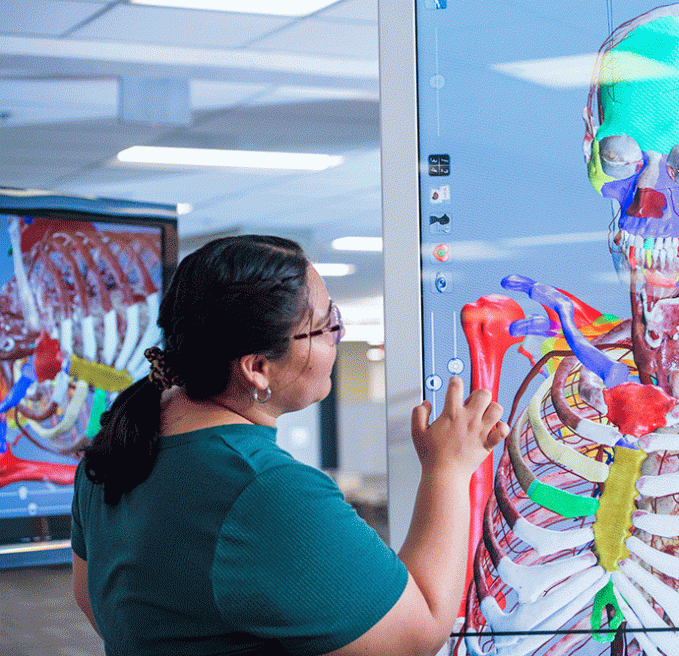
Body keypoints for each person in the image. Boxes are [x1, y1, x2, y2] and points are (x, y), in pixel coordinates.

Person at [72, 234, 508, 656]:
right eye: (324, 327)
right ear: (258, 368)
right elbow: (418, 633)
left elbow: (94, 599)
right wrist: (447, 469)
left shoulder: (119, 443)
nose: (337, 335)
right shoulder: (266, 492)